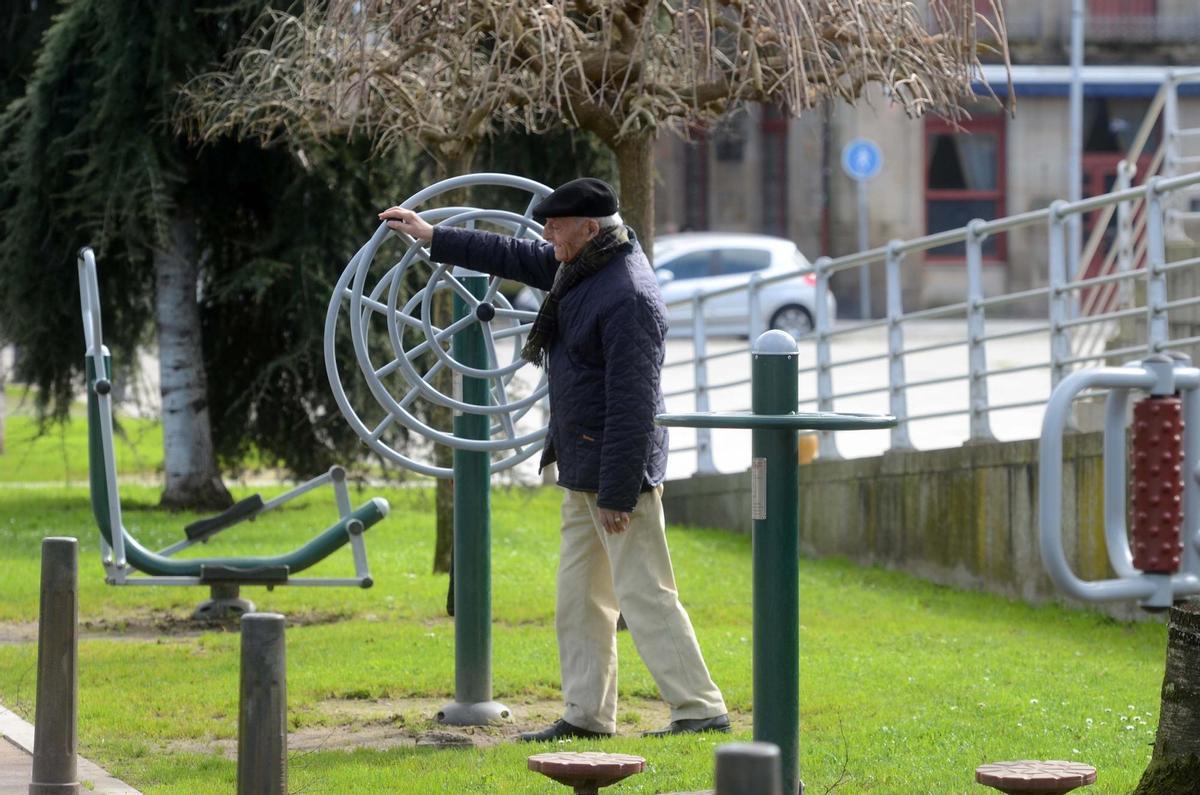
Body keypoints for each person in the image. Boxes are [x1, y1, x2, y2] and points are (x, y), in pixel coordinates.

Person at [378, 177, 730, 741]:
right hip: (582, 467)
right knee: (579, 600)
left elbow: (634, 409)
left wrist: (618, 493)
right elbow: (514, 254)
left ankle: (699, 710)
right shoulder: (583, 265)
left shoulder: (627, 296)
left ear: (590, 228)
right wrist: (432, 236)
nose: (546, 237)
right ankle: (587, 717)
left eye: (556, 228)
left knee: (644, 594)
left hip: (617, 477)